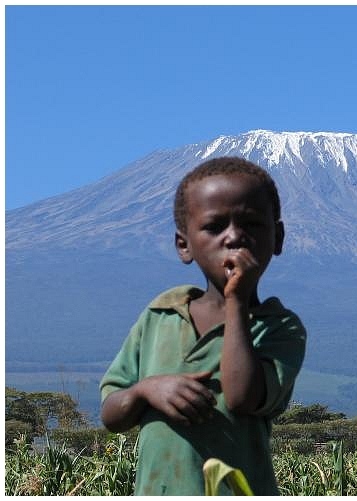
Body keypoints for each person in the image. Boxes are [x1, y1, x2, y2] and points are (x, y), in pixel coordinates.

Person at [99, 156, 307, 495]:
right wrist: (145, 389)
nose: (234, 238)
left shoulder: (280, 328)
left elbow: (242, 398)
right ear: (184, 245)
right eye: (214, 227)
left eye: (251, 225)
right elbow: (111, 414)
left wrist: (236, 301)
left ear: (278, 237)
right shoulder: (160, 315)